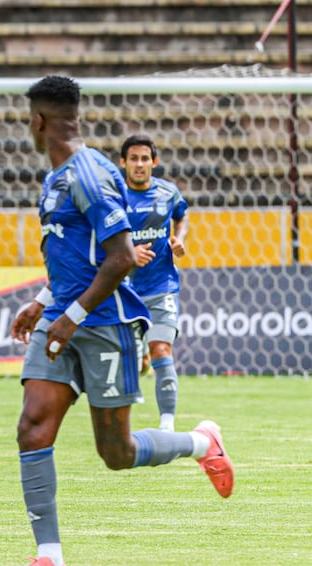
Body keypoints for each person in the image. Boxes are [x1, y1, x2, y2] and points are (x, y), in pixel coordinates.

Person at [9, 76, 233, 566]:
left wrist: (69, 315)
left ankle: (201, 442)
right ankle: (49, 555)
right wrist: (42, 300)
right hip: (61, 319)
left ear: (39, 121)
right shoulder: (55, 177)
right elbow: (76, 256)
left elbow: (121, 258)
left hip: (105, 323)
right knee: (32, 427)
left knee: (116, 452)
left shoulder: (89, 174)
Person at [119, 134, 189, 432]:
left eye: (144, 158)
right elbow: (100, 238)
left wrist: (179, 239)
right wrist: (128, 253)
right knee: (133, 365)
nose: (139, 164)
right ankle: (141, 360)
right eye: (133, 158)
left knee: (162, 349)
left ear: (153, 161)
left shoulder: (167, 192)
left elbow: (182, 216)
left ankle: (167, 426)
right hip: (124, 290)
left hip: (162, 286)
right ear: (123, 162)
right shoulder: (114, 197)